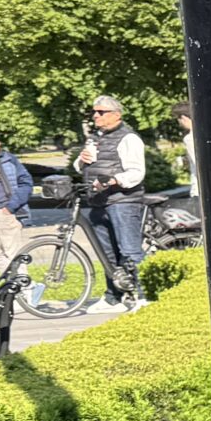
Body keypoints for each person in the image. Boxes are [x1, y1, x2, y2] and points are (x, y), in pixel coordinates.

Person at [76, 94, 147, 308]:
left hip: (123, 201)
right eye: (94, 112)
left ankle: (144, 295)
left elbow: (136, 172)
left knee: (129, 250)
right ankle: (113, 296)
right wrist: (81, 160)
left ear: (116, 115)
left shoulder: (129, 138)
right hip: (98, 201)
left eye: (101, 112)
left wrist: (113, 180)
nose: (95, 116)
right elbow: (79, 167)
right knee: (107, 253)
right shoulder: (95, 137)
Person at [0, 125, 32, 276]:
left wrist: (10, 207)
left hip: (6, 214)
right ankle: (24, 283)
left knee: (14, 255)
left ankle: (23, 288)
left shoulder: (7, 158)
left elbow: (26, 182)